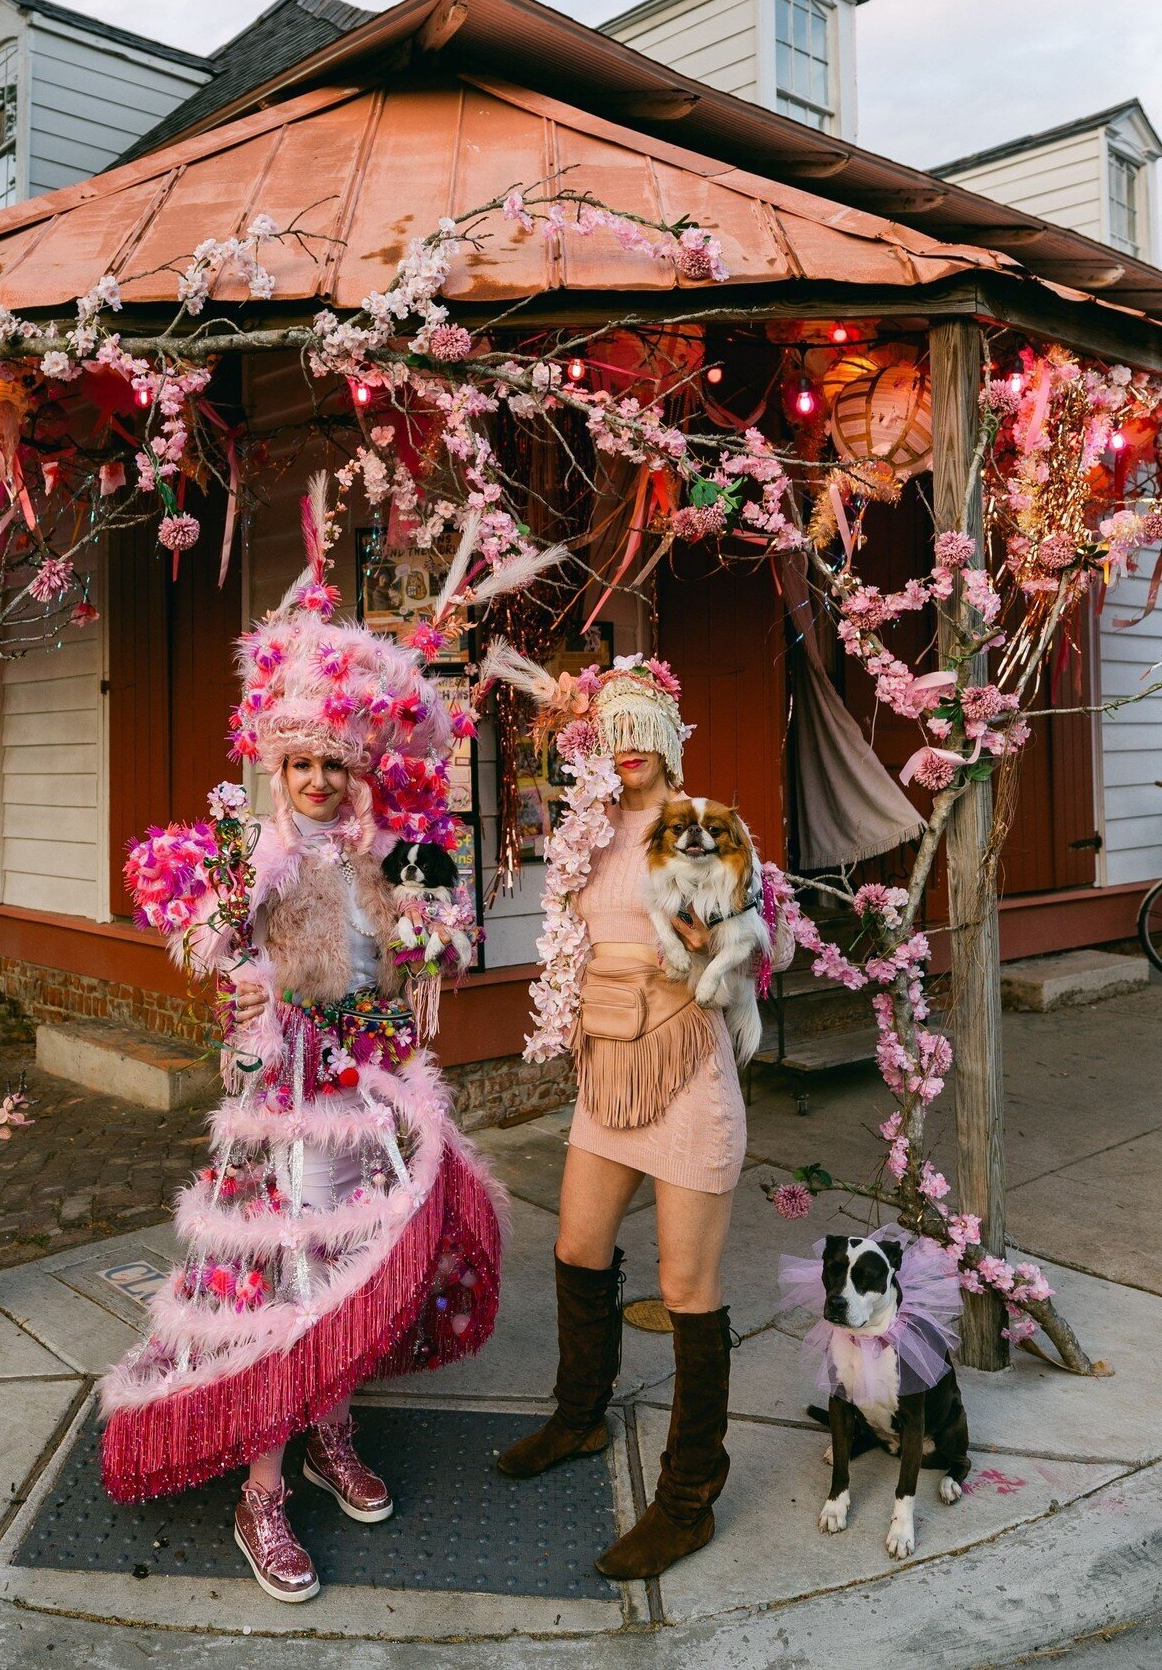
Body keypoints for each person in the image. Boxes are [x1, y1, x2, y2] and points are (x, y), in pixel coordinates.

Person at [98, 572, 503, 1604]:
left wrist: (435, 942)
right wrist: (234, 955)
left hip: (369, 1094)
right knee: (291, 1284)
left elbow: (412, 955)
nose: (321, 777)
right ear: (278, 767)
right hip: (286, 1102)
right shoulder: (259, 854)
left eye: (336, 761)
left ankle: (330, 1430)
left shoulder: (380, 858)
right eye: (305, 762)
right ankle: (262, 1489)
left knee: (355, 1263)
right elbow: (209, 943)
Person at [482, 649, 791, 1580]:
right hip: (608, 1062)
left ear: (669, 737)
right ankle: (580, 1420)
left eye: (641, 731)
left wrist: (718, 948)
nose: (628, 750)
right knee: (579, 1246)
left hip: (686, 1057)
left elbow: (759, 950)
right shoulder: (587, 826)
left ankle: (688, 1498)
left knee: (687, 1286)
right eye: (611, 733)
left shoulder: (704, 826)